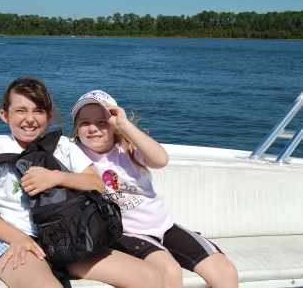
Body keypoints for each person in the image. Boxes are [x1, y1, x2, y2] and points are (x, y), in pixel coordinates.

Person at [0, 77, 163, 288]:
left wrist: (55, 177)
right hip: (13, 241)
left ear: (48, 117)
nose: (30, 119)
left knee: (150, 277)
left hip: (65, 236)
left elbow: (97, 184)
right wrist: (17, 238)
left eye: (38, 111)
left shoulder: (62, 145)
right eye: (21, 111)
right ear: (5, 115)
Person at [69, 90, 239, 288]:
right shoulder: (74, 153)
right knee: (169, 270)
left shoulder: (128, 147)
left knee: (225, 270)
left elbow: (161, 160)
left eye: (102, 122)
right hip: (126, 233)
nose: (93, 128)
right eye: (84, 123)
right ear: (76, 128)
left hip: (165, 226)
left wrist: (125, 126)